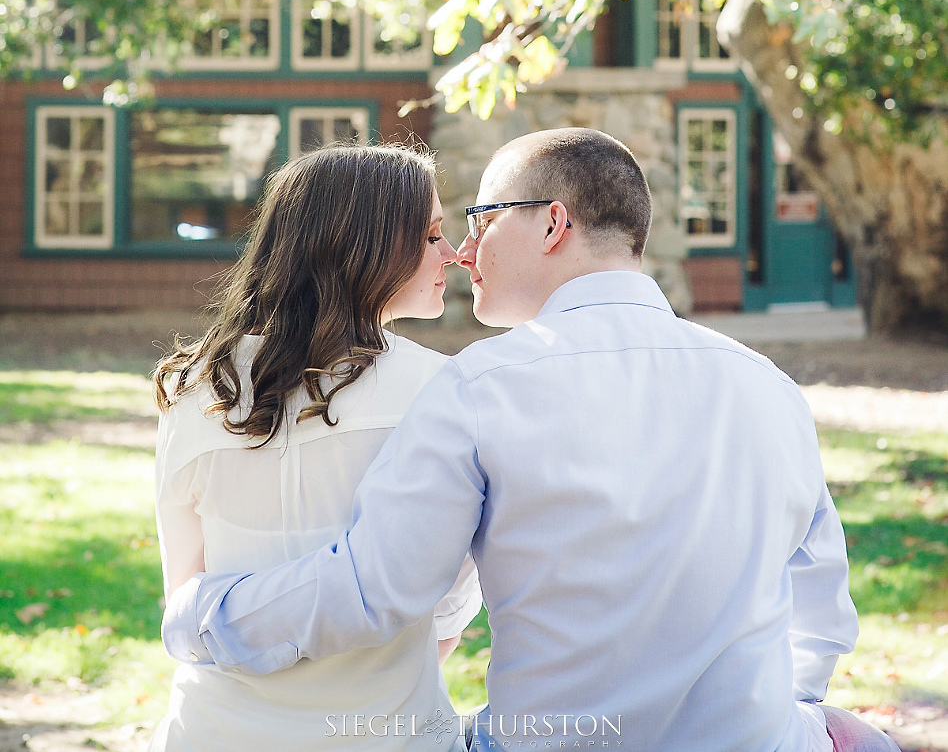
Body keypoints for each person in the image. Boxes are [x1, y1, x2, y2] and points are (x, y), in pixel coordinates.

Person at [161, 127, 897, 752]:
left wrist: (201, 616)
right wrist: (779, 718)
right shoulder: (766, 384)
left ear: (552, 224)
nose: (463, 250)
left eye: (480, 220)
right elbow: (820, 598)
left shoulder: (482, 386)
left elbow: (376, 587)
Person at [148, 142, 481, 752]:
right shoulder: (443, 390)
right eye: (434, 236)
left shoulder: (195, 390)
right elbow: (447, 605)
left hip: (214, 730)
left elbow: (189, 603)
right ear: (367, 247)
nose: (456, 254)